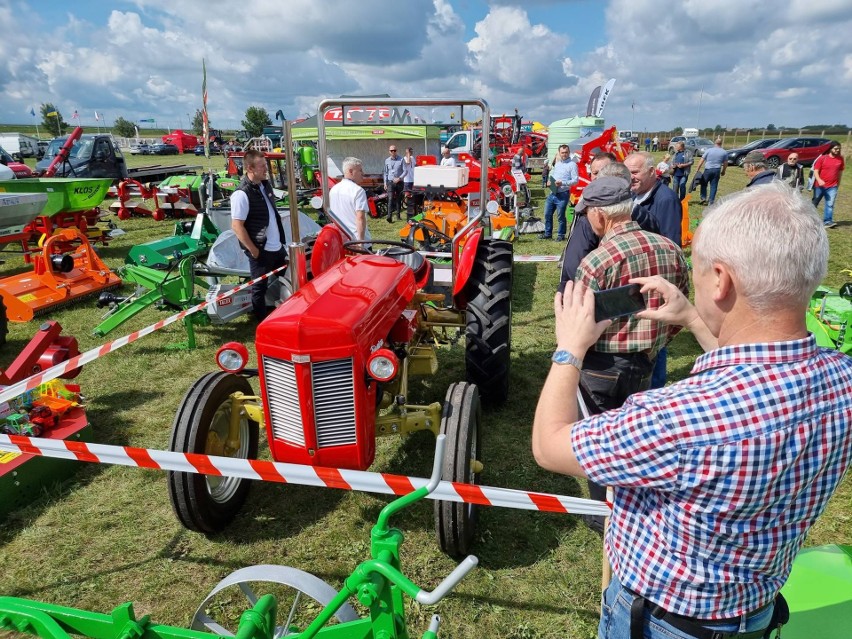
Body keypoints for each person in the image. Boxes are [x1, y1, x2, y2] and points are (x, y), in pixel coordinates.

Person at [532, 180, 851, 639]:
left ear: (720, 280)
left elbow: (548, 446)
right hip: (755, 611)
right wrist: (691, 318)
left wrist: (568, 351)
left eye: (699, 273)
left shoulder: (675, 418)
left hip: (660, 620)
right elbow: (756, 377)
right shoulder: (842, 379)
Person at [566, 176, 689, 532]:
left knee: (598, 441)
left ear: (601, 216)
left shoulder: (596, 263)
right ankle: (636, 508)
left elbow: (581, 327)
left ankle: (604, 517)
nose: (587, 220)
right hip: (648, 360)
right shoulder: (671, 248)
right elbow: (679, 307)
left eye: (587, 213)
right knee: (637, 438)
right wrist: (657, 341)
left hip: (601, 366)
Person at [624, 151, 685, 390]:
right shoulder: (634, 196)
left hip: (655, 280)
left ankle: (654, 390)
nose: (631, 177)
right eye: (627, 172)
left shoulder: (665, 199)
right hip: (638, 277)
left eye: (636, 172)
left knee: (655, 340)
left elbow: (671, 244)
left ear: (652, 172)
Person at [230, 149, 288, 321]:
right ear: (250, 168)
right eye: (262, 166)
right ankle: (262, 323)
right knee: (259, 288)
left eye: (265, 165)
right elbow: (237, 226)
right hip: (261, 250)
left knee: (291, 279)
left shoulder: (265, 185)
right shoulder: (241, 194)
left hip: (277, 247)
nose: (266, 169)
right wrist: (254, 250)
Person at [539, 144, 578, 241]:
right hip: (553, 192)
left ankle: (561, 235)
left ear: (569, 153)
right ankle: (548, 234)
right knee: (547, 214)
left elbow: (575, 180)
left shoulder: (572, 165)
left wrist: (563, 183)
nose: (564, 154)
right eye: (562, 152)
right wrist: (549, 182)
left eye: (566, 152)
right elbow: (554, 175)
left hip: (563, 194)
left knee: (560, 216)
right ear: (559, 153)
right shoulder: (558, 163)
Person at [329, 156, 371, 243]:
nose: (363, 173)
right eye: (360, 170)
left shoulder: (334, 189)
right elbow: (360, 218)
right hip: (356, 240)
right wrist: (361, 243)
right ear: (351, 171)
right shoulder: (358, 191)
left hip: (341, 240)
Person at [811, 141, 844, 228]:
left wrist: (838, 183)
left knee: (830, 204)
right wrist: (819, 180)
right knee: (815, 203)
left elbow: (840, 172)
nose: (837, 150)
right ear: (830, 149)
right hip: (819, 186)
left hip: (833, 186)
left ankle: (828, 221)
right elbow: (816, 171)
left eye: (839, 149)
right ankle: (809, 219)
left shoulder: (840, 159)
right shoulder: (822, 158)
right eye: (836, 149)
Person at [693, 137, 728, 205]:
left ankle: (703, 198)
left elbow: (701, 160)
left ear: (715, 143)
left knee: (703, 184)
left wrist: (697, 169)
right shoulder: (724, 152)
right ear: (721, 144)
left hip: (708, 170)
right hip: (717, 170)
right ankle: (711, 201)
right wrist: (723, 171)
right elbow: (725, 163)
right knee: (714, 186)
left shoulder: (709, 150)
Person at [383, 145, 405, 222]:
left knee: (398, 199)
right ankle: (389, 216)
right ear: (389, 151)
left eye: (394, 150)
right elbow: (385, 172)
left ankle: (398, 216)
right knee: (390, 198)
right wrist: (385, 183)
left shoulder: (401, 159)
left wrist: (399, 178)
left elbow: (405, 171)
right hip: (390, 182)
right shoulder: (387, 160)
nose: (393, 152)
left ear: (396, 151)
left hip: (399, 182)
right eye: (391, 151)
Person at [402, 147, 417, 218]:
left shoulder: (412, 157)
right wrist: (407, 154)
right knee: (407, 194)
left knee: (413, 195)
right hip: (407, 180)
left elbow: (415, 165)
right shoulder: (404, 158)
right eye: (410, 151)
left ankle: (412, 208)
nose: (412, 152)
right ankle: (407, 208)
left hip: (413, 179)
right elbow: (408, 162)